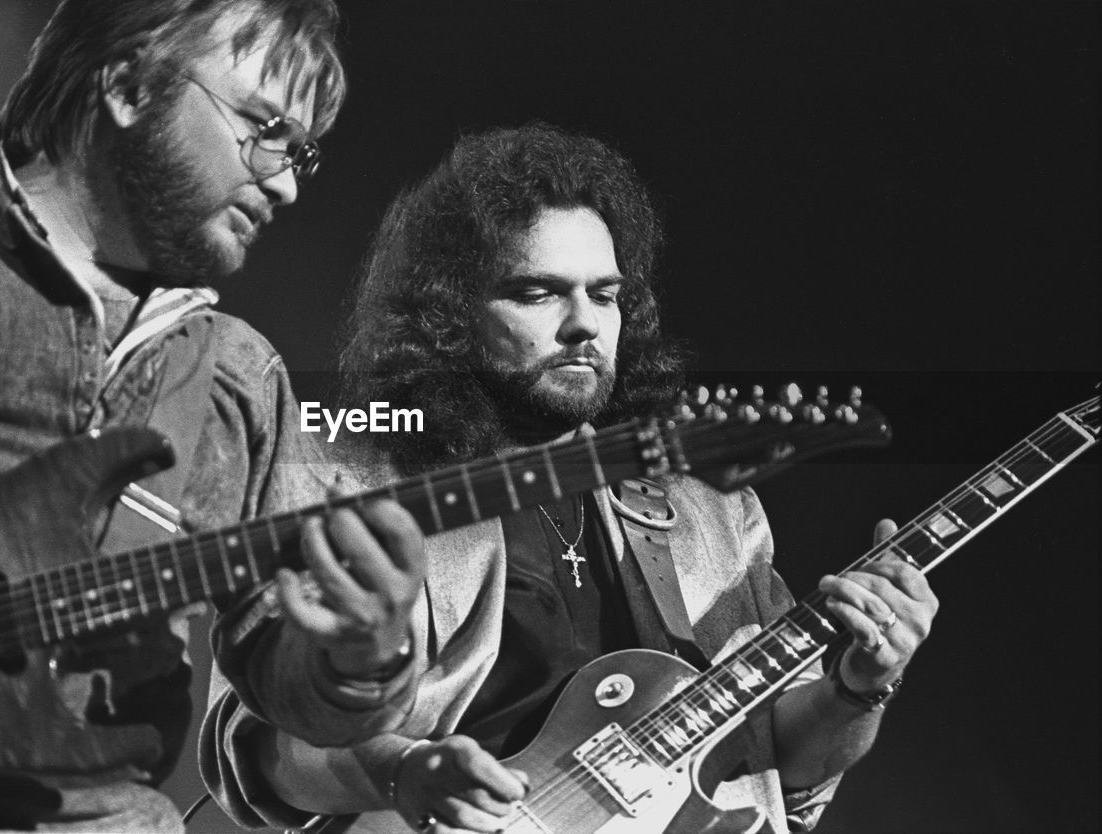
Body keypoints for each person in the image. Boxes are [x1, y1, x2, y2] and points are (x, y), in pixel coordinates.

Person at [201, 122, 940, 833]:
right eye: (537, 292)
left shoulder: (711, 510)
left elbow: (772, 758)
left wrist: (855, 689)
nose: (585, 323)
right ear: (448, 314)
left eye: (606, 294)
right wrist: (404, 771)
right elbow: (265, 747)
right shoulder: (351, 483)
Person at [0, 1, 424, 831]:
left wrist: (362, 654)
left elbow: (281, 683)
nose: (285, 182)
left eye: (303, 153)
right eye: (266, 129)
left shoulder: (240, 375)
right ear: (131, 84)